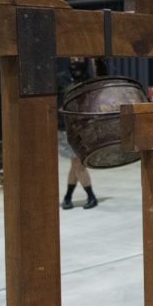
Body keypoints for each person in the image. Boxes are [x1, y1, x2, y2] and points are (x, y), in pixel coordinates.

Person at [61, 58, 98, 210]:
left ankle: (70, 197)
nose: (76, 61)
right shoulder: (61, 79)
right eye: (73, 58)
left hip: (83, 127)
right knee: (77, 163)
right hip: (64, 128)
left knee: (76, 163)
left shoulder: (89, 80)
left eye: (80, 58)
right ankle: (89, 196)